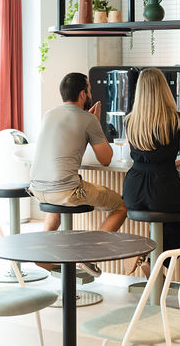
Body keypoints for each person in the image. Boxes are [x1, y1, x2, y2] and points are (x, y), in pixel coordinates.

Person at [28, 72, 127, 239]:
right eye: (89, 90)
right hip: (66, 191)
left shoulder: (49, 114)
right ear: (82, 94)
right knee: (121, 206)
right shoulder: (88, 119)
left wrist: (91, 120)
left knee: (56, 202)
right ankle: (89, 256)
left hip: (36, 188)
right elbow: (106, 159)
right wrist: (95, 122)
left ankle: (43, 257)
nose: (91, 94)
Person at [122, 68, 180, 272]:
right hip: (163, 187)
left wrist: (166, 162)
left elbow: (143, 156)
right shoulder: (178, 119)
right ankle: (156, 261)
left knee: (166, 217)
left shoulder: (130, 120)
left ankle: (149, 255)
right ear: (164, 89)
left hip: (133, 190)